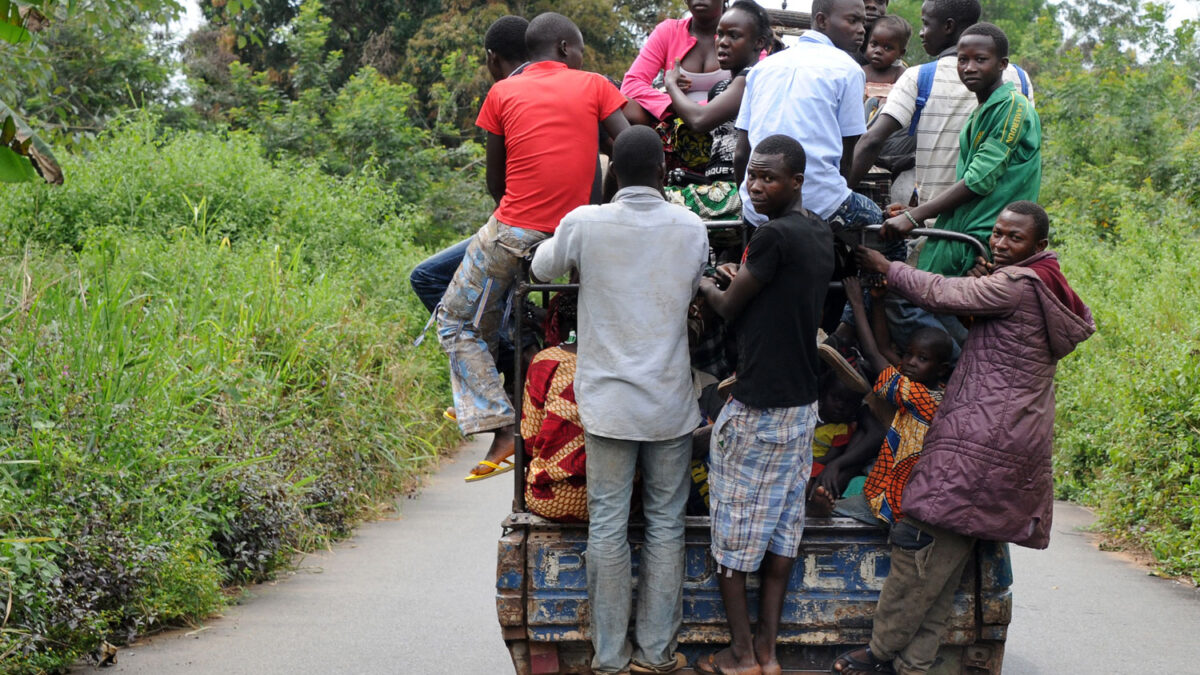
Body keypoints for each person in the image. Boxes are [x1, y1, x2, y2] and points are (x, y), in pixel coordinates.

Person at [833, 201, 1095, 675]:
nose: (999, 243)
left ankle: (878, 652)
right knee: (946, 566)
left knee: (922, 546)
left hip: (982, 440)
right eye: (996, 233)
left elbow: (941, 292)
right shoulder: (1039, 286)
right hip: (1007, 437)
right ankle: (914, 663)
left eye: (1013, 238)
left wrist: (887, 268)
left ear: (1039, 247)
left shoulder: (1019, 284)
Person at [531, 126, 708, 675]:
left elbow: (541, 269)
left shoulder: (586, 222)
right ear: (663, 173)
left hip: (607, 403)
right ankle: (655, 655)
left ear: (613, 174)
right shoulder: (692, 225)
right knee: (665, 525)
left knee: (606, 526)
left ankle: (609, 658)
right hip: (669, 403)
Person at [437, 12, 629, 482]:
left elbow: (495, 183)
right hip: (578, 235)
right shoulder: (597, 86)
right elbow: (630, 146)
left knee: (456, 321)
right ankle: (506, 407)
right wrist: (598, 207)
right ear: (565, 48)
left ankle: (499, 423)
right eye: (580, 48)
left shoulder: (501, 92)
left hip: (515, 231)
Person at [696, 135, 833, 675]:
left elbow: (729, 308)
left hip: (758, 408)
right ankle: (769, 654)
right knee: (780, 535)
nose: (755, 185)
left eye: (768, 178)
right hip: (802, 406)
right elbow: (779, 295)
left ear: (795, 181)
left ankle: (740, 655)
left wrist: (709, 283)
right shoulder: (818, 232)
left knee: (732, 540)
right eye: (751, 176)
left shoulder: (772, 236)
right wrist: (742, 278)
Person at [848, 0, 1035, 217]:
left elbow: (872, 141)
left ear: (948, 26)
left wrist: (840, 198)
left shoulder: (918, 77)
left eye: (925, 24)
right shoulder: (1020, 78)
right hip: (1001, 226)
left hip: (935, 222)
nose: (921, 33)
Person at [409, 15, 529, 314]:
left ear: (492, 58)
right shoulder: (577, 90)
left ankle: (512, 354)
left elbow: (495, 183)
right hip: (569, 224)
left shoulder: (503, 94)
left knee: (425, 276)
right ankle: (520, 341)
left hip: (521, 226)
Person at [733, 0, 882, 236]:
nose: (862, 29)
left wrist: (750, 204)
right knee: (884, 227)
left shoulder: (762, 69)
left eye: (863, 22)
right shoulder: (849, 70)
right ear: (822, 21)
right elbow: (846, 158)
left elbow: (741, 154)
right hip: (819, 206)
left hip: (757, 208)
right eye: (853, 20)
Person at [520, 295, 586, 523]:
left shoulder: (545, 361)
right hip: (621, 499)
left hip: (554, 498)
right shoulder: (617, 359)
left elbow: (529, 437)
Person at [863, 15, 910, 97]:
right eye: (874, 44)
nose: (878, 51)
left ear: (901, 53)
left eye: (887, 48)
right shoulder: (861, 72)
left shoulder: (900, 74)